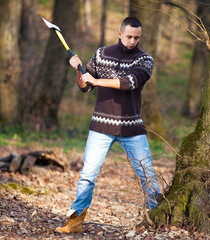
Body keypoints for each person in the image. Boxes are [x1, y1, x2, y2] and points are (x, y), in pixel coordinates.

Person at [56, 17, 161, 234]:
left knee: (148, 176)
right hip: (100, 128)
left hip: (131, 128)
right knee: (87, 175)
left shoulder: (145, 60)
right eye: (129, 36)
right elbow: (85, 87)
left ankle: (158, 221)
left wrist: (97, 81)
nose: (133, 41)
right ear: (119, 33)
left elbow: (128, 83)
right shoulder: (101, 54)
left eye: (137, 37)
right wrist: (78, 69)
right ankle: (75, 221)